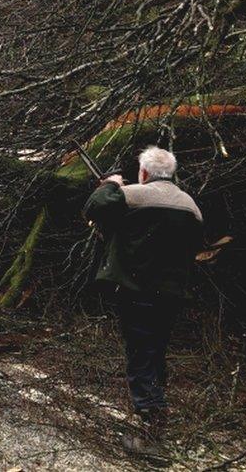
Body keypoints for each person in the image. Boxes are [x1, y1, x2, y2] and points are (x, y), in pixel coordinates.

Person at [83, 146, 203, 453]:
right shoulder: (191, 206)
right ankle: (156, 411)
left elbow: (94, 207)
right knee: (155, 351)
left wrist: (111, 184)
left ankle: (151, 431)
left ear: (145, 173)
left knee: (140, 353)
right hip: (172, 293)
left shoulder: (133, 195)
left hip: (137, 291)